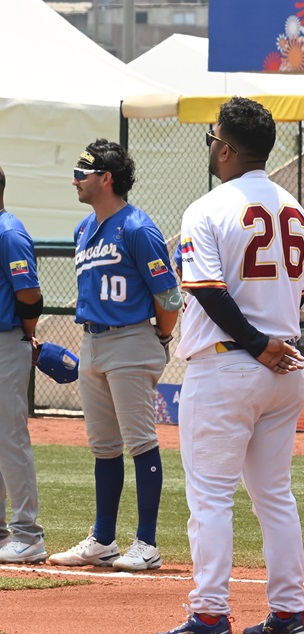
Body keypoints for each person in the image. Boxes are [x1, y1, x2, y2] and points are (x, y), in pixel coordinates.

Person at [157, 97, 304, 634]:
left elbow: (206, 289)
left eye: (212, 138)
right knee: (275, 498)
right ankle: (289, 612)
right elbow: (298, 293)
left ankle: (209, 612)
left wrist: (253, 342)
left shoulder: (207, 208)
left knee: (211, 499)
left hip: (229, 366)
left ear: (225, 149)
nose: (210, 146)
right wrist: (267, 342)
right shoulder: (297, 210)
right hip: (286, 365)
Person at [49, 141, 180, 572]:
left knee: (140, 441)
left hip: (131, 340)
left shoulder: (138, 228)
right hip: (92, 341)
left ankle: (146, 543)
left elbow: (169, 295)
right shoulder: (83, 229)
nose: (75, 180)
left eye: (82, 173)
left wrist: (161, 336)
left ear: (106, 178)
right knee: (103, 446)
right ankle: (103, 540)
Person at [0, 165, 47, 565]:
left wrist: (26, 334)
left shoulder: (10, 232)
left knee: (9, 437)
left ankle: (28, 534)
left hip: (6, 341)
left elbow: (30, 296)